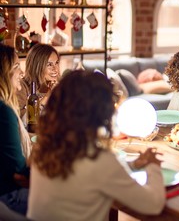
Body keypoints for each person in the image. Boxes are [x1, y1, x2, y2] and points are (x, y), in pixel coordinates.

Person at [27, 70, 165, 220]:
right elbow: (153, 205)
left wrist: (133, 165)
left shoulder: (46, 146)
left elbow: (84, 179)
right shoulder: (98, 159)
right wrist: (153, 166)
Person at [0, 44, 31, 215]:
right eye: (17, 67)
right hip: (8, 195)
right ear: (4, 74)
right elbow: (19, 173)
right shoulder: (4, 112)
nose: (22, 73)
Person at [17, 43, 60, 119]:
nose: (55, 69)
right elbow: (23, 121)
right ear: (37, 66)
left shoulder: (60, 87)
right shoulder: (21, 87)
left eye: (56, 63)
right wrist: (48, 96)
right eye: (49, 65)